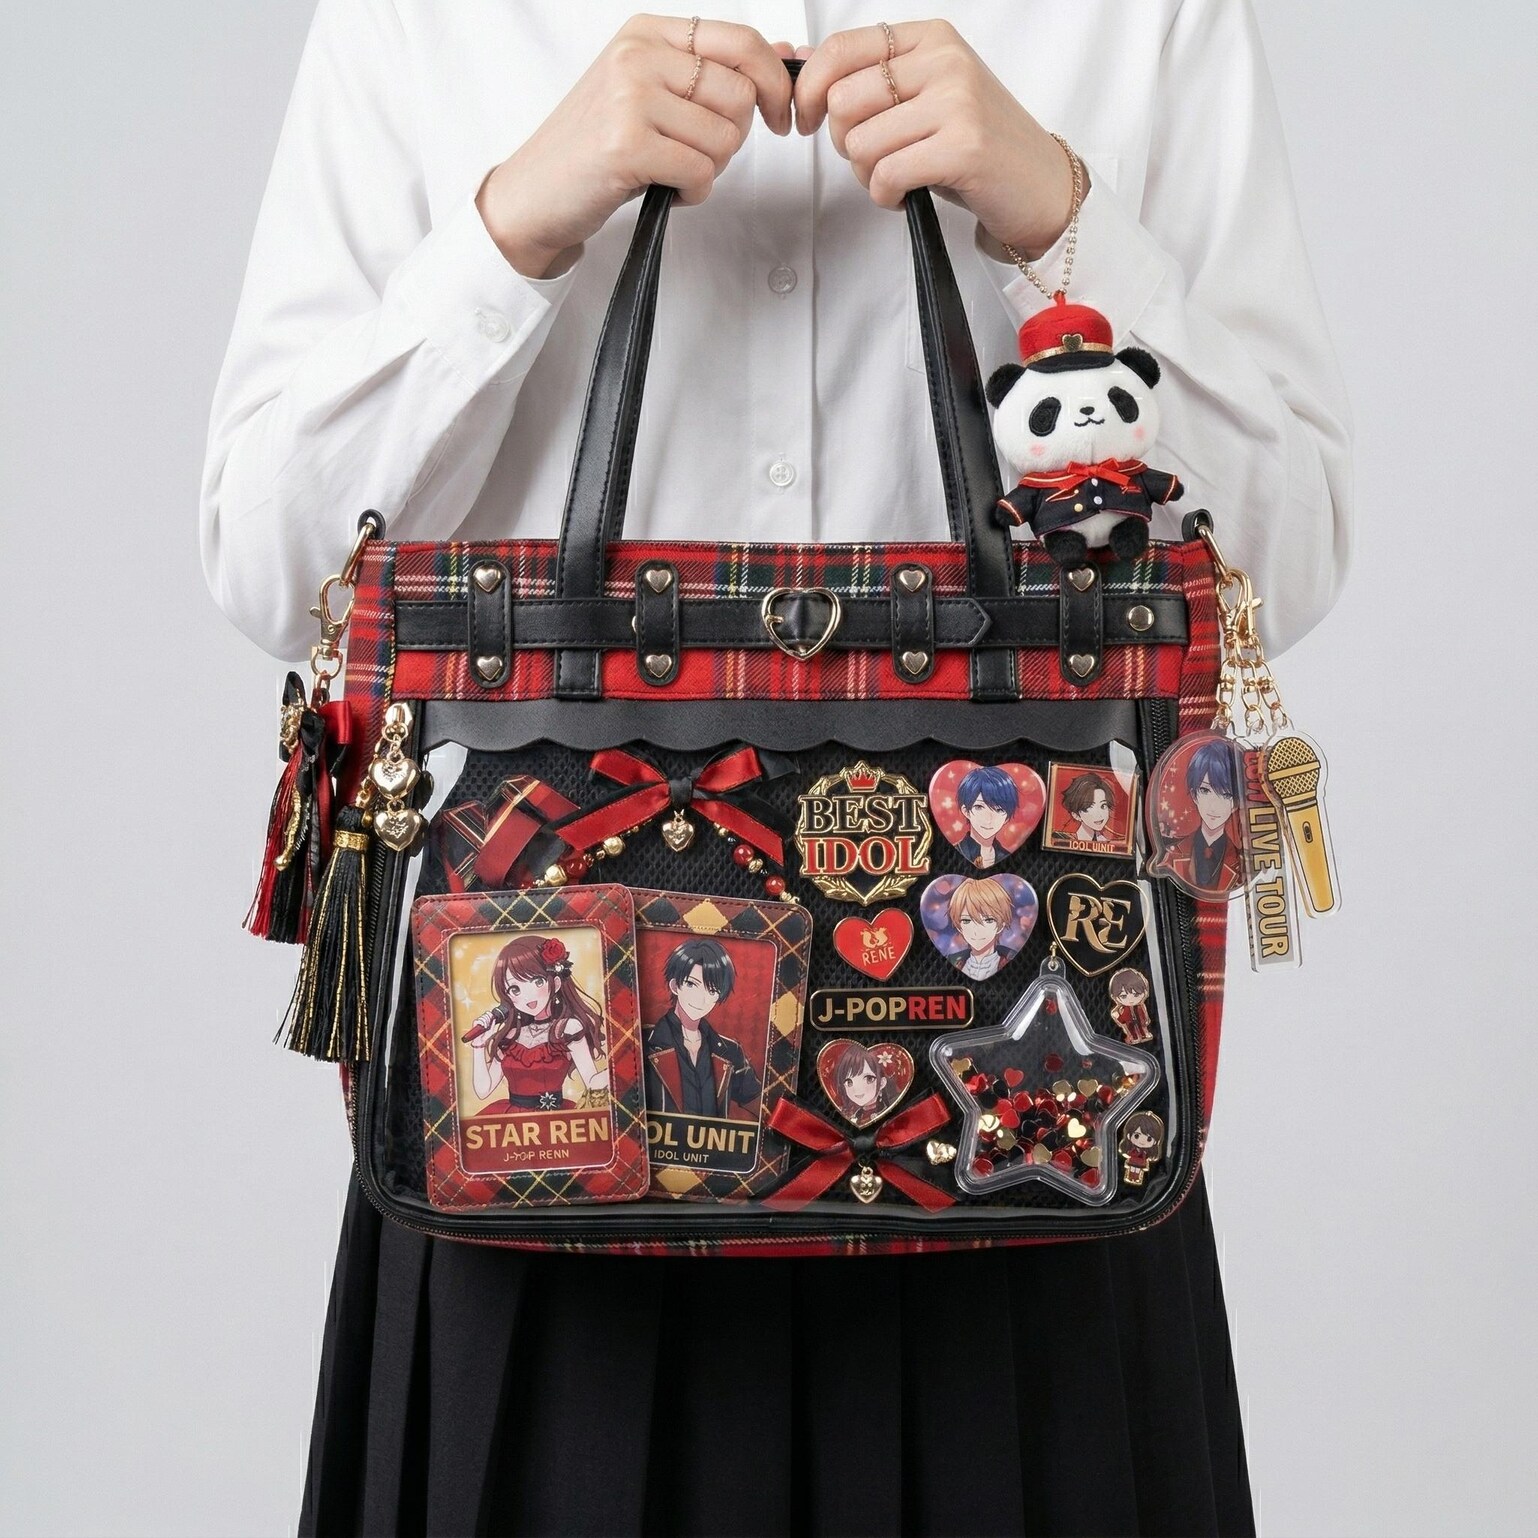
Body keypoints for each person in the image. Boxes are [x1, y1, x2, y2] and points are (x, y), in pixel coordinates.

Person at [203, 7, 1350, 1533]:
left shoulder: (1139, 19)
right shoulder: (421, 20)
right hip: (532, 1214)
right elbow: (274, 561)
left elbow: (1278, 556)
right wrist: (511, 231)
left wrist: (1058, 223)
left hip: (1035, 1174)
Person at [465, 935, 608, 1112]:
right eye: (514, 989)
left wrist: (616, 1072)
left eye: (537, 981)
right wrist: (478, 1046)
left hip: (555, 1119)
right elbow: (483, 1090)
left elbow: (591, 1080)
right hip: (512, 1119)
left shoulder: (567, 1029)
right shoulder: (510, 1036)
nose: (527, 996)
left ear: (556, 983)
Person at [643, 937, 761, 1118]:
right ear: (675, 986)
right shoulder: (644, 1041)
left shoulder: (730, 1051)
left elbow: (761, 1104)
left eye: (711, 990)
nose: (701, 998)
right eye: (692, 984)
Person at [945, 874, 1021, 981]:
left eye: (988, 920)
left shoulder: (1008, 958)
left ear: (1001, 925)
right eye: (966, 921)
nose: (976, 931)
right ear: (959, 926)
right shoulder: (954, 960)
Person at [954, 763, 1019, 867]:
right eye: (979, 807)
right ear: (966, 811)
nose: (988, 819)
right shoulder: (957, 851)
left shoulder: (1007, 857)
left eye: (999, 810)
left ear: (1006, 818)